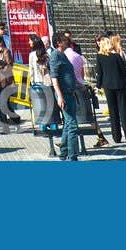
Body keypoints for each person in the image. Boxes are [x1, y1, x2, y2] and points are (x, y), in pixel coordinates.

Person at [47, 31, 81, 161]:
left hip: (70, 93)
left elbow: (68, 73)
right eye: (65, 40)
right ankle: (73, 156)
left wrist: (78, 84)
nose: (68, 41)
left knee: (68, 124)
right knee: (72, 125)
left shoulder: (63, 55)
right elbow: (54, 77)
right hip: (64, 94)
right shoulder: (55, 56)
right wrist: (60, 96)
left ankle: (63, 152)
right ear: (59, 43)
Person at [0, 27, 21, 124]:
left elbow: (9, 65)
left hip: (6, 80)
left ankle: (5, 123)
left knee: (3, 102)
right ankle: (15, 118)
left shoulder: (6, 51)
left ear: (0, 43)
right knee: (4, 102)